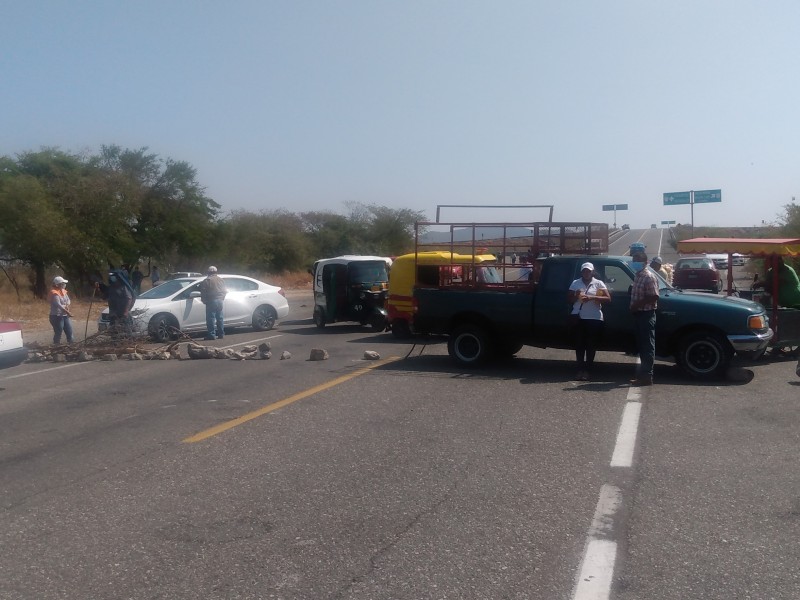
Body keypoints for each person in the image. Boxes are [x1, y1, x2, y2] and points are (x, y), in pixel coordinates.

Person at [567, 262, 611, 381]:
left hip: (594, 318)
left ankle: (588, 370)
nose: (586, 273)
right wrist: (576, 296)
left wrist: (592, 298)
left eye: (589, 271)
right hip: (579, 317)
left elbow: (608, 298)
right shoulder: (576, 283)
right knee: (579, 345)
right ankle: (580, 370)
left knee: (591, 345)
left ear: (593, 272)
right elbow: (569, 299)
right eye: (584, 271)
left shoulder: (598, 283)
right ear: (581, 272)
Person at [630, 251, 660, 386]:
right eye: (634, 259)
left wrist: (637, 304)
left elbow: (654, 296)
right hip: (638, 314)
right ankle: (643, 375)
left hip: (646, 314)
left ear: (644, 262)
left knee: (647, 346)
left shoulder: (648, 276)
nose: (634, 262)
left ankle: (647, 376)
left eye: (637, 260)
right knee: (642, 345)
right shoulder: (638, 276)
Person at [198, 266, 227, 340]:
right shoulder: (221, 280)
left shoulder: (207, 280)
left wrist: (204, 300)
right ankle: (221, 334)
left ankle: (211, 335)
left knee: (211, 319)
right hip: (220, 300)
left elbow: (203, 292)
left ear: (208, 272)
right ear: (216, 272)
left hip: (211, 301)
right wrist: (222, 298)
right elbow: (225, 291)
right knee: (220, 318)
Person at [102, 271, 134, 335]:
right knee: (113, 328)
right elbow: (104, 297)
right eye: (111, 277)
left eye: (113, 277)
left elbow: (129, 298)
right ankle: (115, 341)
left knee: (126, 328)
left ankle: (128, 341)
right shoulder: (111, 287)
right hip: (113, 312)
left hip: (122, 312)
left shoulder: (123, 287)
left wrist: (126, 311)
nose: (112, 278)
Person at [48, 276, 74, 345]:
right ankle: (56, 347)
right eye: (62, 283)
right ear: (57, 284)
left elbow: (68, 300)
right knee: (58, 332)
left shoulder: (63, 291)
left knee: (69, 331)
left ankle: (72, 346)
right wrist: (68, 312)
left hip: (64, 316)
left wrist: (67, 305)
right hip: (57, 316)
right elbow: (58, 305)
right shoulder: (54, 293)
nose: (64, 285)